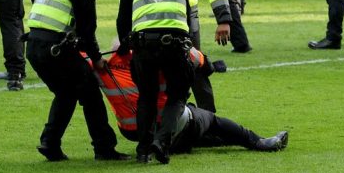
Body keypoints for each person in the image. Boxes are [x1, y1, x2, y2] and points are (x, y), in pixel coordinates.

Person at [25, 0, 129, 162]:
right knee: (90, 92)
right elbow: (86, 30)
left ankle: (50, 143)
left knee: (66, 93)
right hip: (56, 50)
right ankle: (104, 148)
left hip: (34, 47)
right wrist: (97, 58)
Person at [99, 48, 289, 154]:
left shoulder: (103, 69)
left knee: (199, 130)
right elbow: (204, 64)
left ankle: (165, 143)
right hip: (172, 123)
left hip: (135, 132)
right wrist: (212, 64)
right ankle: (258, 141)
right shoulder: (170, 50)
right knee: (210, 120)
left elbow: (86, 60)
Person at [116, 0, 193, 164]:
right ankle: (162, 142)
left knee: (147, 97)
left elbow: (123, 19)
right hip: (175, 41)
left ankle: (143, 150)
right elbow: (187, 12)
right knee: (177, 95)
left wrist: (125, 45)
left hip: (144, 44)